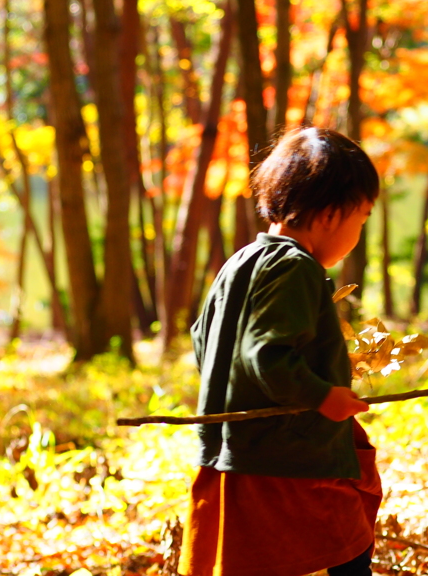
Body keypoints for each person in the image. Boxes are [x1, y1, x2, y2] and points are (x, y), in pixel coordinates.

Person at [178, 127, 383, 576]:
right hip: (290, 464)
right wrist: (322, 395)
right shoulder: (295, 268)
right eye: (362, 218)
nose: (358, 231)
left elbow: (203, 339)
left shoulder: (240, 262)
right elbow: (266, 354)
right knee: (343, 556)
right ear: (332, 213)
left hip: (239, 454)